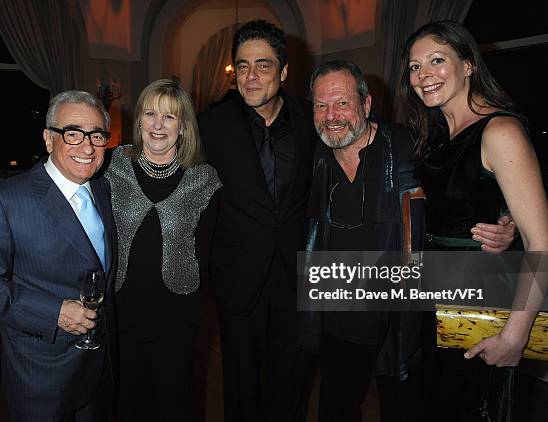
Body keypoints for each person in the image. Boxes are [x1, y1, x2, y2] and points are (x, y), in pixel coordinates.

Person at [305, 59, 516, 422]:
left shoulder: (410, 147)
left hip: (403, 320)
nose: (331, 115)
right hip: (339, 315)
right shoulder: (316, 159)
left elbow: (462, 197)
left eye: (342, 103)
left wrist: (505, 222)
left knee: (405, 411)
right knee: (335, 409)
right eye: (321, 105)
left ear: (366, 104)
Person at [399, 20, 548, 420]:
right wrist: (507, 219)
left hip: (481, 305)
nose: (423, 75)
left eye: (436, 60)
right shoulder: (435, 134)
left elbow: (543, 242)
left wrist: (514, 336)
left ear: (467, 65)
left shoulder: (499, 131)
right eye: (414, 67)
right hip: (436, 300)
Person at [0, 91, 116, 421]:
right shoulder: (2, 202)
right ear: (48, 138)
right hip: (41, 372)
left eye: (97, 136)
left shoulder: (105, 190)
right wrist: (53, 312)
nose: (87, 148)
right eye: (72, 134)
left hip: (101, 367)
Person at [198, 20, 316, 422]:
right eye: (242, 65)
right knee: (240, 389)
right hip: (237, 281)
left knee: (291, 386)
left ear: (283, 72)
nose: (250, 76)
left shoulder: (311, 120)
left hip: (297, 279)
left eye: (263, 65)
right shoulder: (211, 125)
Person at [105, 79, 221, 421]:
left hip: (176, 312)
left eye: (170, 117)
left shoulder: (204, 178)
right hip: (122, 307)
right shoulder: (113, 167)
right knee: (128, 400)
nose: (158, 124)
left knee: (175, 399)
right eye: (150, 113)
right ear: (139, 120)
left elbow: (208, 249)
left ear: (183, 127)